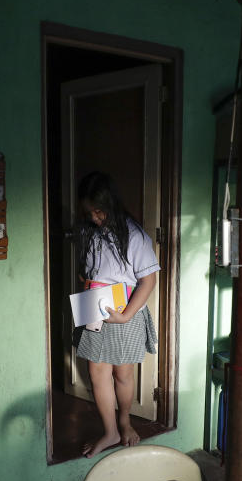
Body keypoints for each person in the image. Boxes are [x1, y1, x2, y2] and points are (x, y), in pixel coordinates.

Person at [74, 172, 160, 458]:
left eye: (99, 211)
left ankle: (124, 421)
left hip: (124, 312)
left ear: (110, 203)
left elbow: (148, 280)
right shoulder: (92, 233)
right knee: (96, 371)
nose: (95, 217)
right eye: (90, 212)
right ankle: (110, 431)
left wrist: (125, 316)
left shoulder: (134, 236)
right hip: (96, 309)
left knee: (122, 374)